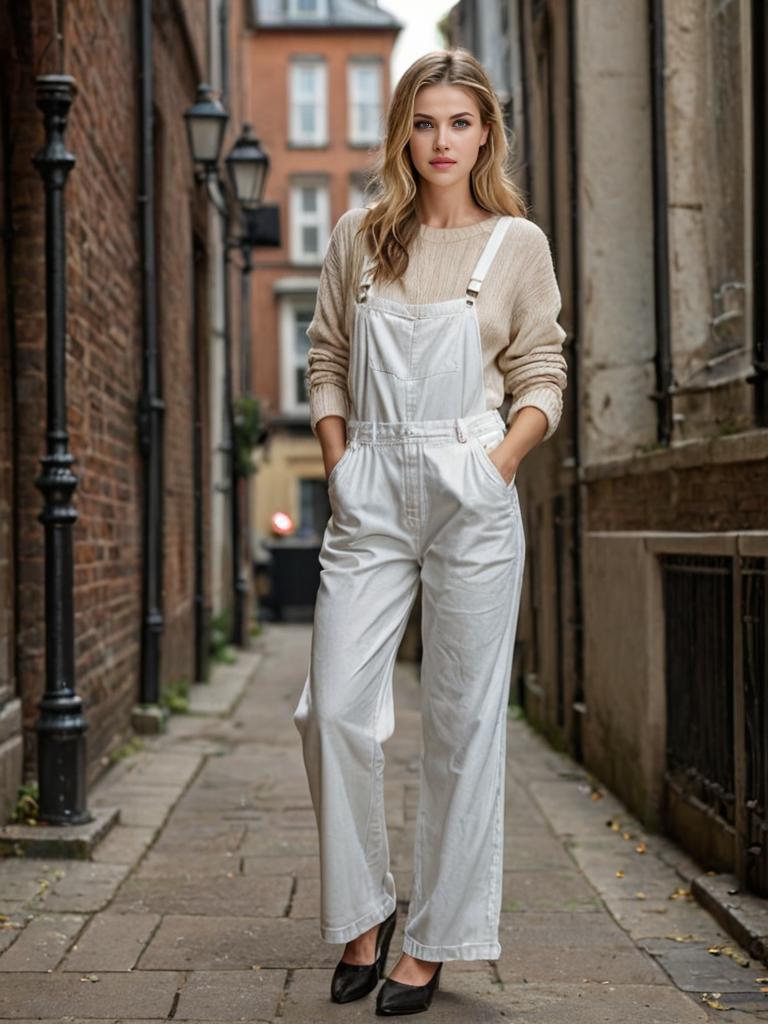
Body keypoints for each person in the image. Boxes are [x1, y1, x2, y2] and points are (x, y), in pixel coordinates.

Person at [292, 48, 568, 1016]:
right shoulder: (358, 238)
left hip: (472, 485)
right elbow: (326, 355)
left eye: (459, 122)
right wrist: (341, 462)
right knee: (331, 707)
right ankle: (362, 912)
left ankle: (435, 940)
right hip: (371, 485)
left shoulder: (517, 244)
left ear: (485, 131)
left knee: (463, 721)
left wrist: (493, 469)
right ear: (402, 132)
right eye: (424, 121)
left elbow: (543, 375)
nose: (440, 141)